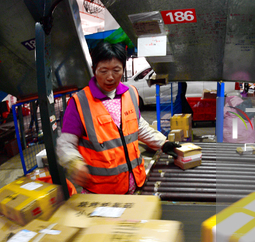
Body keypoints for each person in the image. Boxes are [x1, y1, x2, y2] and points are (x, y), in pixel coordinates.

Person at [56, 41, 179, 194]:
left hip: (135, 183)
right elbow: (65, 144)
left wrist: (162, 143)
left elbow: (139, 126)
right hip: (102, 192)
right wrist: (74, 163)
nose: (110, 77)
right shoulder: (79, 102)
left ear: (123, 69)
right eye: (103, 71)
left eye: (116, 70)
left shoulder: (131, 93)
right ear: (94, 70)